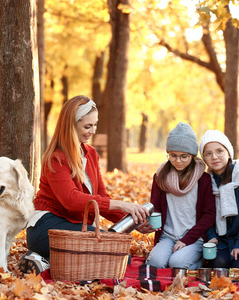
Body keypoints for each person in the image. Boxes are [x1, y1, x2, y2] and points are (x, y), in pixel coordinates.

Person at [19, 95, 150, 274]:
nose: (93, 131)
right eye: (87, 126)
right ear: (70, 126)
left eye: (95, 125)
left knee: (120, 254)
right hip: (46, 228)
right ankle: (47, 258)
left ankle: (44, 261)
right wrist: (123, 204)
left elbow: (102, 199)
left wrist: (132, 221)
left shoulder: (91, 154)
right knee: (114, 254)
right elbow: (71, 200)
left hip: (74, 227)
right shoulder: (56, 158)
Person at [146, 122, 216, 270]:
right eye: (173, 155)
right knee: (156, 263)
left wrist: (187, 239)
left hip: (194, 237)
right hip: (167, 235)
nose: (178, 161)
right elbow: (156, 206)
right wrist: (151, 221)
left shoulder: (203, 180)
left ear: (192, 155)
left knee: (176, 264)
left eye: (184, 156)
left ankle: (200, 262)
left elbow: (209, 214)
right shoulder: (160, 177)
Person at [199, 130, 239, 269]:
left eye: (219, 151)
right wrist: (211, 235)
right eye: (208, 153)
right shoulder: (207, 181)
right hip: (222, 238)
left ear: (228, 152)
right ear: (204, 158)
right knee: (219, 264)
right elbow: (206, 212)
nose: (214, 157)